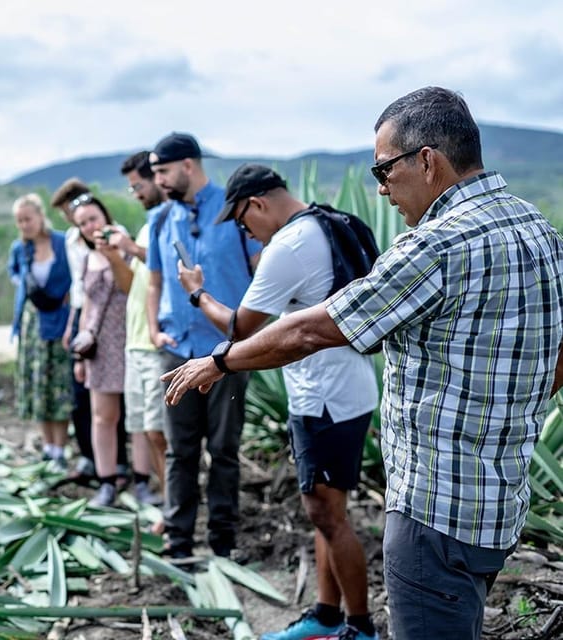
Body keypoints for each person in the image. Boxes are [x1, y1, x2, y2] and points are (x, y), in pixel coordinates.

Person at [162, 87, 563, 640]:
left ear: (427, 160)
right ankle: (332, 617)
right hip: (499, 505)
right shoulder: (536, 227)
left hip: (434, 511)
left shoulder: (435, 245)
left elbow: (307, 329)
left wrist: (219, 362)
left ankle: (348, 622)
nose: (380, 187)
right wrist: (511, 403)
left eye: (384, 169)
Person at [177, 163, 379, 639]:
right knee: (326, 512)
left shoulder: (288, 245)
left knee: (327, 515)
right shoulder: (330, 222)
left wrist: (197, 294)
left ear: (258, 204)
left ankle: (360, 628)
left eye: (244, 223)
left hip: (325, 400)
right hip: (347, 390)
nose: (247, 234)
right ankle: (327, 617)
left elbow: (239, 330)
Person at [147, 132, 260, 559]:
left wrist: (246, 334)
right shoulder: (160, 219)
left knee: (224, 450)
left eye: (162, 171)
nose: (157, 180)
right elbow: (154, 282)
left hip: (227, 354)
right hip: (177, 351)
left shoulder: (233, 212)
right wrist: (154, 331)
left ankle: (223, 542)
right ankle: (178, 541)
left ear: (188, 166)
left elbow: (258, 272)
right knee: (180, 452)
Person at [50, 179, 129, 485]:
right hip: (86, 315)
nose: (74, 221)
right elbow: (79, 287)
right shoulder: (74, 242)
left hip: (114, 319)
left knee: (118, 400)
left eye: (70, 212)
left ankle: (121, 464)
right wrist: (74, 325)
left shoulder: (117, 237)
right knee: (83, 395)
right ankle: (94, 460)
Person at [103, 150, 169, 509]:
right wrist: (117, 255)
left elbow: (169, 268)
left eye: (138, 185)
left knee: (161, 433)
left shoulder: (167, 220)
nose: (137, 193)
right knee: (146, 430)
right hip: (136, 342)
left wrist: (131, 247)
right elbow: (133, 286)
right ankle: (165, 497)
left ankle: (173, 503)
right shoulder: (147, 224)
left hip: (155, 346)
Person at [70, 194, 132, 507]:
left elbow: (131, 287)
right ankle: (106, 482)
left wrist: (114, 256)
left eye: (92, 219)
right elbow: (87, 306)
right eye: (82, 223)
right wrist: (80, 353)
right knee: (102, 417)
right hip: (99, 345)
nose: (89, 226)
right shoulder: (85, 258)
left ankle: (143, 480)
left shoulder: (127, 246)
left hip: (129, 338)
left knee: (136, 417)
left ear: (104, 216)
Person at [7, 194, 73, 471]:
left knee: (59, 387)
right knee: (38, 387)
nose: (24, 225)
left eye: (28, 219)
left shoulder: (62, 242)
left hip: (59, 318)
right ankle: (47, 447)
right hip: (32, 323)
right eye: (19, 221)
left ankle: (60, 449)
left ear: (40, 216)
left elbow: (75, 273)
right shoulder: (19, 249)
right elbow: (14, 274)